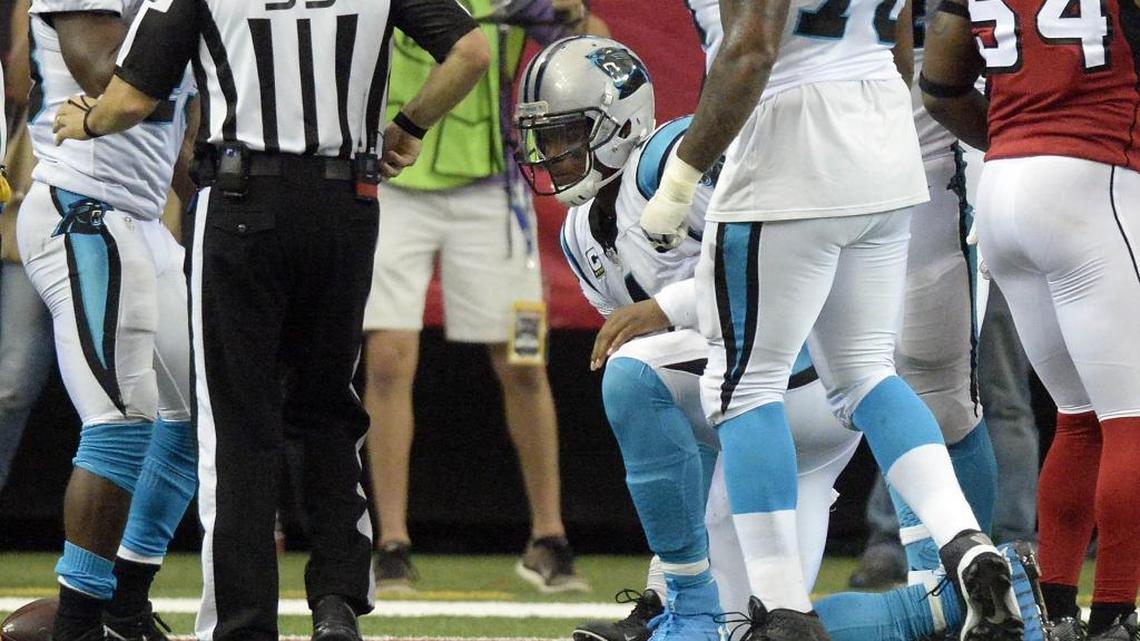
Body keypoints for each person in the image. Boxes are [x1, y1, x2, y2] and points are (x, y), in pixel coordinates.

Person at [53, 2, 490, 640]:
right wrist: (408, 124)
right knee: (329, 412)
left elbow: (128, 99)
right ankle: (338, 601)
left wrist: (85, 120)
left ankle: (243, 623)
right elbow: (473, 52)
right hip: (345, 204)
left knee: (236, 430)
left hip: (240, 202)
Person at [636, 0, 1020, 637]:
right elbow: (900, 51)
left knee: (743, 384)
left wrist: (680, 180)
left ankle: (782, 607)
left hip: (791, 136)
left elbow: (753, 48)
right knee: (868, 373)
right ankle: (962, 538)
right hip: (884, 135)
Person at [515, 36, 862, 638]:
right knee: (758, 628)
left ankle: (682, 600)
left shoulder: (669, 161)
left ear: (617, 123)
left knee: (635, 374)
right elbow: (680, 413)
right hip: (741, 409)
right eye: (543, 141)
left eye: (565, 135)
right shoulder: (579, 235)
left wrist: (668, 308)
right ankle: (932, 611)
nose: (551, 156)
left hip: (801, 376)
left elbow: (783, 262)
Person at [361, 0, 602, 593]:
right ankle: (389, 543)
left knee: (524, 361)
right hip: (392, 177)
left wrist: (572, 18)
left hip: (493, 195)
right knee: (389, 358)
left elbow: (595, 41)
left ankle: (548, 537)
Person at [921, 0, 1140, 637]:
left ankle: (1058, 610)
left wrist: (1027, 140)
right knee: (1130, 420)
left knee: (1079, 420)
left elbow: (940, 86)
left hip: (1005, 182)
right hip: (1091, 182)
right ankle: (1115, 614)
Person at [15, 3, 201, 641]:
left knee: (199, 412)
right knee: (120, 421)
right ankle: (78, 622)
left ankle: (124, 605)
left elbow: (183, 141)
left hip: (142, 218)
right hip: (81, 207)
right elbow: (108, 74)